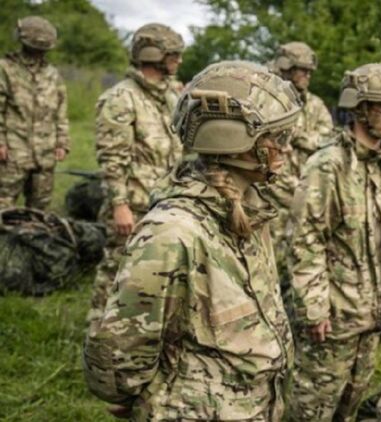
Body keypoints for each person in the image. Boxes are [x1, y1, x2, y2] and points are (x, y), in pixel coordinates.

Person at [83, 60, 301, 421]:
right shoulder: (173, 232)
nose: (286, 148)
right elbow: (118, 360)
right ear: (233, 139)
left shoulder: (249, 211)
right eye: (276, 138)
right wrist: (145, 394)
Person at [286, 63, 381, 421]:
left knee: (351, 405)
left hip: (373, 313)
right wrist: (314, 308)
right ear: (359, 107)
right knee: (312, 408)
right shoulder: (328, 166)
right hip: (332, 318)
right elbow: (304, 240)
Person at [87, 23, 184, 328]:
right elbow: (112, 159)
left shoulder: (168, 96)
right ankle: (99, 331)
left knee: (154, 273)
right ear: (154, 55)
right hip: (133, 204)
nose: (179, 61)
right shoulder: (121, 98)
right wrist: (119, 204)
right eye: (174, 55)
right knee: (116, 270)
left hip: (164, 201)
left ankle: (136, 332)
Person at [266, 41, 333, 285]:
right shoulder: (267, 100)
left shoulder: (314, 105)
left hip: (305, 197)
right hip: (271, 199)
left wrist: (297, 136)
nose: (308, 75)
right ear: (286, 68)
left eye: (309, 71)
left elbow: (327, 140)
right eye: (302, 70)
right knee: (269, 266)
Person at [0, 16, 69, 210]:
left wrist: (62, 142)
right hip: (13, 151)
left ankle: (30, 229)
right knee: (4, 201)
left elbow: (61, 110)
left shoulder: (52, 74)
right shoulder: (5, 69)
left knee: (39, 206)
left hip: (45, 153)